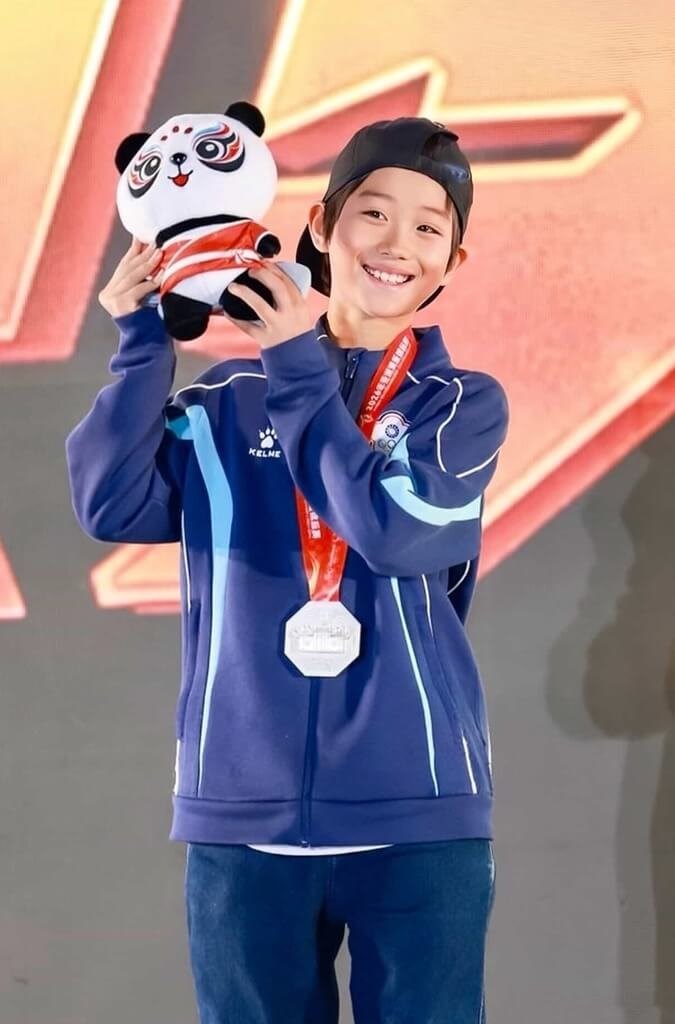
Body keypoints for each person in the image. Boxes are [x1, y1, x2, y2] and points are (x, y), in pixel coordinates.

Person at [65, 116, 510, 1023]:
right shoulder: (224, 405)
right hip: (241, 813)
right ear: (318, 225)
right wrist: (144, 340)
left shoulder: (458, 407)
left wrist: (295, 365)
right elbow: (112, 505)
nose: (397, 244)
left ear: (452, 264)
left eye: (430, 228)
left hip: (417, 815)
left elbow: (394, 530)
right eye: (373, 214)